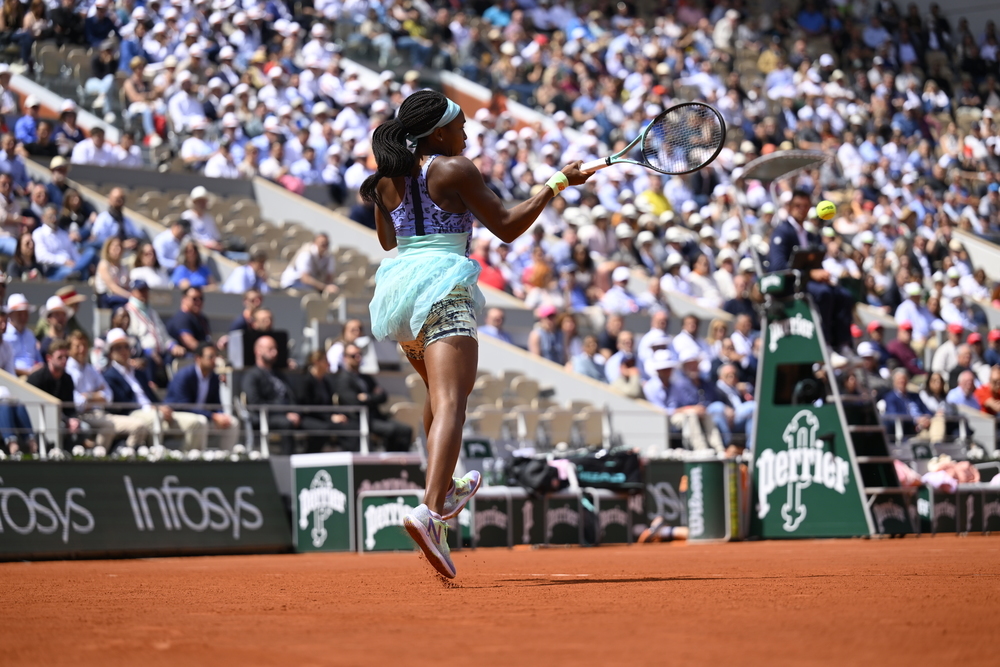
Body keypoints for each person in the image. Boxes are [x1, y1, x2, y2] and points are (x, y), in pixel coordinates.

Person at [361, 89, 591, 578]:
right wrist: (556, 182)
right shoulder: (453, 168)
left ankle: (442, 497)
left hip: (400, 296)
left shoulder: (385, 179)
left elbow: (387, 240)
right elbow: (507, 226)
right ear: (438, 132)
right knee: (452, 403)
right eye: (460, 126)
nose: (465, 134)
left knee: (436, 399)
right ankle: (429, 509)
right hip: (444, 286)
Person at [768, 190, 853, 351]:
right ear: (790, 207)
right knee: (824, 294)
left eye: (805, 206)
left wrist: (823, 274)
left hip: (808, 283)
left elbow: (815, 262)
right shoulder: (782, 232)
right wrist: (809, 274)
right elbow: (778, 266)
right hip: (790, 286)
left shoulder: (810, 235)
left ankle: (843, 345)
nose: (801, 209)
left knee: (844, 295)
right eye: (797, 206)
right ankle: (825, 345)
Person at [103, 328, 208, 451]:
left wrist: (162, 408)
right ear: (110, 352)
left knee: (197, 423)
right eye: (118, 347)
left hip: (155, 412)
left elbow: (152, 397)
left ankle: (187, 460)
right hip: (134, 414)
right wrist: (153, 408)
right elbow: (122, 404)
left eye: (125, 347)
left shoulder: (138, 373)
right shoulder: (108, 375)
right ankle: (156, 460)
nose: (123, 351)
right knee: (155, 420)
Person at [65, 330, 148, 451]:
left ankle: (123, 459)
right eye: (77, 346)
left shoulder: (90, 369)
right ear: (69, 349)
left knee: (139, 426)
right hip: (81, 416)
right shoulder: (67, 371)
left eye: (84, 346)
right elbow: (78, 404)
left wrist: (88, 396)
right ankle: (101, 462)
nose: (82, 350)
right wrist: (96, 395)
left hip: (99, 414)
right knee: (109, 426)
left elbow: (108, 396)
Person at [335, 343, 413, 452]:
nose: (358, 357)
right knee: (392, 430)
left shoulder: (366, 377)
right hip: (361, 420)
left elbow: (383, 396)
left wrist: (367, 397)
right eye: (353, 355)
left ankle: (401, 464)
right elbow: (354, 402)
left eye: (359, 354)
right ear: (345, 358)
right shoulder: (343, 379)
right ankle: (391, 461)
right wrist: (373, 397)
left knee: (406, 430)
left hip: (377, 417)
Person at [164, 343, 239, 451]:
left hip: (202, 416)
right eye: (210, 357)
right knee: (201, 422)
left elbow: (216, 403)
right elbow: (184, 405)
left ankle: (225, 458)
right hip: (176, 416)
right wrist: (212, 416)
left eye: (215, 356)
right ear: (198, 358)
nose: (214, 360)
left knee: (232, 422)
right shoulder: (184, 376)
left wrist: (220, 415)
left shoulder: (213, 378)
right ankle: (195, 459)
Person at [240, 335, 302, 454]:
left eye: (276, 349)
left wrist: (296, 412)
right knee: (286, 423)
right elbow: (255, 403)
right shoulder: (251, 375)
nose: (275, 352)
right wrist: (285, 413)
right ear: (258, 351)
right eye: (270, 349)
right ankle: (287, 462)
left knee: (318, 426)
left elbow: (291, 396)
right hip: (265, 417)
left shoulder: (279, 374)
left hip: (287, 414)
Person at [27, 339, 84, 448]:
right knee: (60, 428)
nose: (64, 360)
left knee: (84, 428)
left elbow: (70, 408)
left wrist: (73, 420)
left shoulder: (67, 379)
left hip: (62, 419)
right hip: (40, 420)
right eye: (60, 357)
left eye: (66, 357)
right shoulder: (37, 378)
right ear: (49, 358)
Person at [297, 351, 353, 452]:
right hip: (309, 418)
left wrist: (337, 415)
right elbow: (307, 406)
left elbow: (329, 404)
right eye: (325, 361)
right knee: (326, 429)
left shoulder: (326, 382)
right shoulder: (306, 380)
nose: (329, 364)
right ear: (316, 362)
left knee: (350, 425)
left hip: (324, 417)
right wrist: (330, 417)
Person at [0, 308, 35, 454]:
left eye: (4, 322)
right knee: (6, 400)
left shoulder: (7, 346)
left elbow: (10, 375)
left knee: (17, 401)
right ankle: (12, 444)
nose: (3, 326)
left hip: (4, 391)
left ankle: (32, 443)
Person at [882, 368, 934, 441]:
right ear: (894, 382)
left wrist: (926, 418)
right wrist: (915, 420)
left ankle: (938, 443)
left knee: (938, 420)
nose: (902, 381)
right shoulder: (890, 397)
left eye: (904, 379)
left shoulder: (915, 396)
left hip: (925, 425)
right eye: (899, 380)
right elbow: (893, 416)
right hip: (909, 430)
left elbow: (927, 411)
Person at [3, 293, 42, 376]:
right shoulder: (3, 336)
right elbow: (4, 365)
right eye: (19, 314)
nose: (23, 317)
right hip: (12, 379)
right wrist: (28, 372)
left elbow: (38, 360)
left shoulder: (30, 335)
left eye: (25, 313)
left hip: (33, 378)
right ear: (10, 314)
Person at [166, 286, 211, 354]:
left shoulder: (202, 319)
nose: (198, 302)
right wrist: (210, 353)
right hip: (184, 360)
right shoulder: (181, 318)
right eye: (194, 299)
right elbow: (190, 343)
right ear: (184, 299)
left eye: (201, 299)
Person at [95, 236, 132, 309]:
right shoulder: (104, 264)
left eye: (120, 247)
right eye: (115, 247)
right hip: (107, 297)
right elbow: (112, 287)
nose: (118, 250)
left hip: (122, 296)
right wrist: (130, 296)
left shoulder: (124, 267)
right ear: (108, 249)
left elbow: (128, 285)